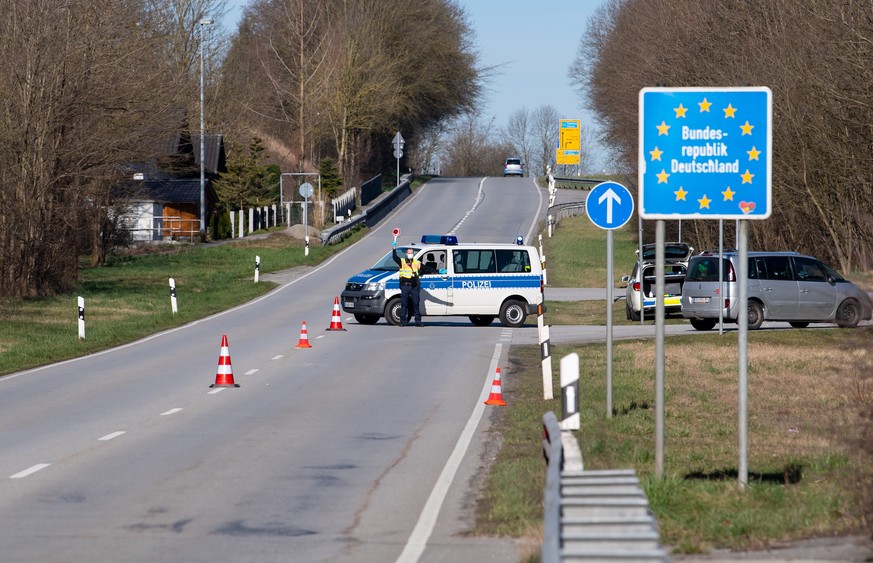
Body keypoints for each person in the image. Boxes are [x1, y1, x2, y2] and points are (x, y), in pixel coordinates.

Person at [392, 244, 422, 326]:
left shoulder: (416, 262)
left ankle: (418, 322)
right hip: (405, 285)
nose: (410, 254)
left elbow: (424, 268)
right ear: (406, 254)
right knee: (404, 304)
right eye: (409, 253)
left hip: (414, 286)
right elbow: (395, 258)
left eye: (411, 253)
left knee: (416, 303)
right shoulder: (402, 261)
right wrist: (394, 249)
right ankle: (402, 322)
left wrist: (437, 270)